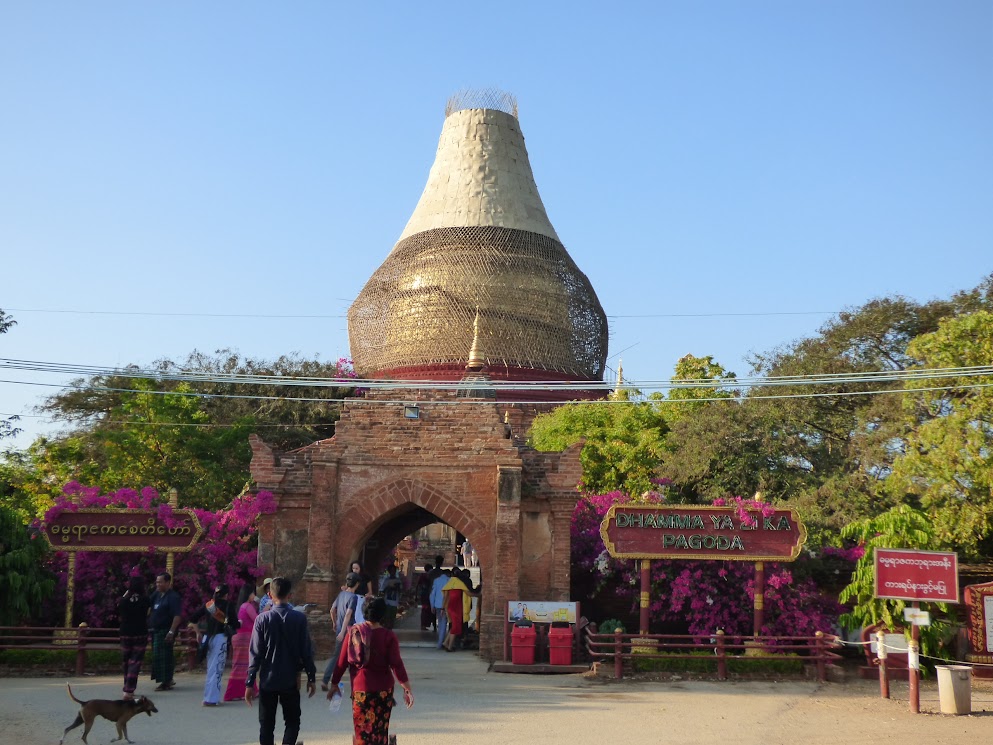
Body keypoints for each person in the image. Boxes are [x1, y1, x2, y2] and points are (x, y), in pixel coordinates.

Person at [328, 597, 414, 745]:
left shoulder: (354, 633)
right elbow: (397, 665)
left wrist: (334, 683)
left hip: (360, 690)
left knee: (362, 732)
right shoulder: (388, 636)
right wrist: (407, 688)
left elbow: (341, 663)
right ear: (383, 614)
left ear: (364, 612)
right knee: (380, 731)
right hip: (383, 691)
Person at [245, 577, 317, 745]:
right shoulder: (299, 619)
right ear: (289, 595)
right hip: (290, 679)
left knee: (266, 724)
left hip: (267, 679)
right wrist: (311, 677)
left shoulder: (262, 619)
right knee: (292, 722)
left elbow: (255, 653)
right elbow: (306, 651)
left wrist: (249, 682)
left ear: (270, 595)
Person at [188, 583, 237, 706]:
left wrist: (198, 633)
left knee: (211, 668)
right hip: (220, 638)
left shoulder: (209, 605)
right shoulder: (228, 605)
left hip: (208, 638)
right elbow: (235, 623)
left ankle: (208, 697)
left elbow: (193, 618)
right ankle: (212, 699)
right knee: (217, 669)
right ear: (226, 594)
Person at [321, 572, 362, 690]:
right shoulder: (353, 597)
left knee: (342, 656)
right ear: (357, 584)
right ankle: (326, 680)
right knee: (351, 656)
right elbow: (348, 614)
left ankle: (328, 680)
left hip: (340, 627)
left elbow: (332, 610)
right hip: (348, 630)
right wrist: (343, 631)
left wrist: (334, 623)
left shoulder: (341, 594)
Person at [225, 583, 259, 702]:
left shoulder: (242, 606)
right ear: (249, 594)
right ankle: (233, 692)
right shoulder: (247, 606)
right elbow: (257, 619)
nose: (254, 596)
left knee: (245, 665)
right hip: (245, 638)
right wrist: (265, 611)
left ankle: (251, 690)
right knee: (244, 665)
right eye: (253, 593)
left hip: (241, 637)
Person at [118, 576, 150, 700]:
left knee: (126, 660)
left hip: (125, 632)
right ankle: (129, 689)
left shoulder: (123, 601)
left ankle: (127, 686)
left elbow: (120, 607)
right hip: (140, 632)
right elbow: (148, 612)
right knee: (135, 661)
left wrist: (128, 592)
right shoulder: (146, 600)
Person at [148, 572, 182, 691]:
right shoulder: (156, 594)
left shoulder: (173, 597)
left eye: (160, 582)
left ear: (168, 582)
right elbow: (147, 603)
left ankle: (166, 682)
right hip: (155, 630)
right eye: (157, 582)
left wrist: (171, 632)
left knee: (164, 657)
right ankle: (167, 679)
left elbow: (177, 616)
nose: (158, 584)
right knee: (157, 656)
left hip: (166, 631)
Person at [442, 568, 472, 651]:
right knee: (455, 627)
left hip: (450, 607)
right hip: (457, 608)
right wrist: (479, 593)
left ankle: (445, 642)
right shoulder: (460, 584)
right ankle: (450, 647)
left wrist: (443, 608)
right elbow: (469, 593)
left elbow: (445, 597)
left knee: (453, 626)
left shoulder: (449, 584)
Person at [429, 567, 451, 650]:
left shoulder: (436, 580)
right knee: (444, 623)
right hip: (446, 604)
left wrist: (432, 605)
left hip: (437, 604)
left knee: (440, 622)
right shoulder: (449, 580)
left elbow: (432, 594)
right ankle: (441, 642)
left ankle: (440, 641)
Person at [380, 564, 402, 629]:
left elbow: (400, 590)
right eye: (391, 571)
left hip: (394, 602)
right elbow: (382, 590)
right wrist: (388, 587)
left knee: (392, 618)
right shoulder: (386, 580)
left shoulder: (398, 580)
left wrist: (396, 587)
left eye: (394, 570)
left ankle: (390, 630)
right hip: (387, 602)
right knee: (386, 617)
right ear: (389, 571)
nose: (392, 572)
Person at [415, 562, 435, 631]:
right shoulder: (427, 576)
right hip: (426, 595)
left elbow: (417, 586)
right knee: (426, 610)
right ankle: (424, 624)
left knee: (426, 610)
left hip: (424, 595)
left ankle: (425, 624)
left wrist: (416, 595)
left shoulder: (422, 576)